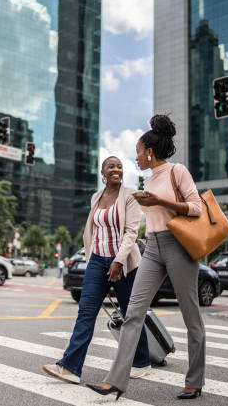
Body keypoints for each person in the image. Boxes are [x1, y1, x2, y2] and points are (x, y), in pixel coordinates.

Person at [86, 114, 205, 400]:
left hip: (179, 245)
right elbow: (152, 218)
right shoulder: (148, 181)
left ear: (149, 152)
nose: (135, 157)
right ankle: (114, 381)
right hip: (152, 248)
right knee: (133, 314)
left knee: (191, 316)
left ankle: (195, 381)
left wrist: (160, 201)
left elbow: (197, 207)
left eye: (138, 152)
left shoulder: (177, 171)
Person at [42, 156, 151, 384]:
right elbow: (92, 230)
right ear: (103, 172)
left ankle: (141, 361)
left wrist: (119, 261)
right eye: (111, 166)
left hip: (123, 263)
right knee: (85, 313)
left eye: (119, 166)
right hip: (97, 261)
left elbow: (131, 232)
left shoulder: (129, 196)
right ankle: (70, 366)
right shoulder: (96, 197)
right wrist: (92, 256)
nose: (116, 169)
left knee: (130, 314)